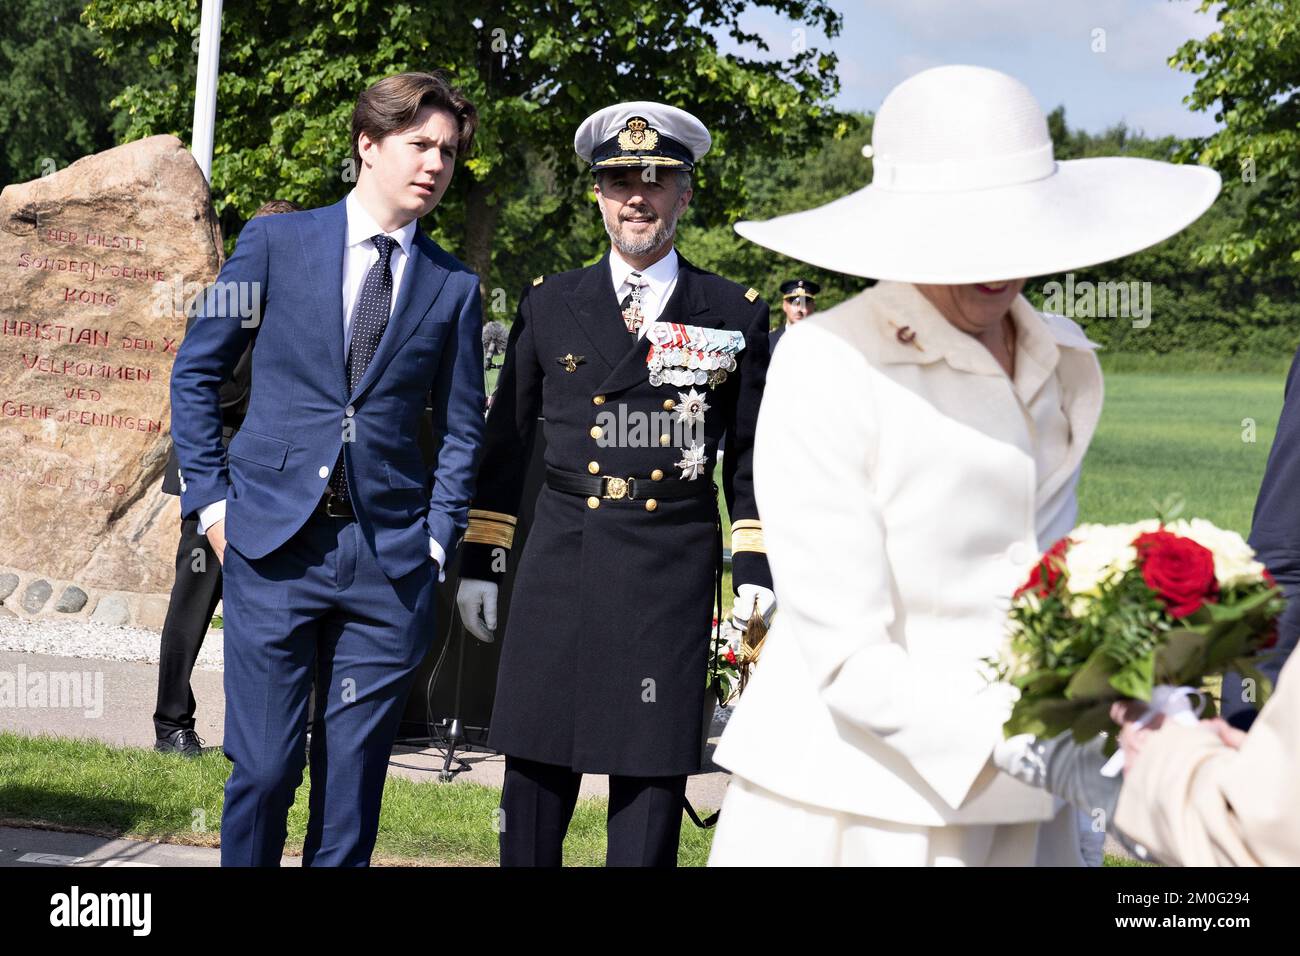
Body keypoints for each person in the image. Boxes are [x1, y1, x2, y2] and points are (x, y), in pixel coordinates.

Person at [706, 64, 1220, 866]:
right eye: (968, 226)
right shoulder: (826, 362)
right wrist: (1039, 746)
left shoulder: (1062, 357)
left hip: (1031, 806)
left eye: (1018, 223)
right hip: (856, 807)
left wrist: (1146, 715)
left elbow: (1046, 585)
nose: (998, 259)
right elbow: (846, 651)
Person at [170, 71, 486, 866]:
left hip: (388, 565)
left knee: (351, 790)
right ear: (367, 144)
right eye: (419, 145)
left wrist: (438, 543)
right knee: (267, 768)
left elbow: (461, 428)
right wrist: (211, 507)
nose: (435, 165)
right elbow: (197, 371)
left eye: (447, 152)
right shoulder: (273, 245)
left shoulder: (454, 286)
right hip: (271, 549)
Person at [454, 102, 776, 867]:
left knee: (649, 793)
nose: (638, 194)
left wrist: (755, 567)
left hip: (668, 573)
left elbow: (753, 456)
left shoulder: (733, 311)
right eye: (619, 178)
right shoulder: (551, 301)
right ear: (597, 194)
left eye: (657, 178)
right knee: (533, 779)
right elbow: (505, 444)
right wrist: (483, 555)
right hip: (562, 561)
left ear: (686, 192)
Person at [154, 199, 299, 758]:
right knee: (194, 599)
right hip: (217, 466)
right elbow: (214, 395)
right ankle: (171, 725)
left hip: (274, 473)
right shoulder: (221, 305)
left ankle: (270, 730)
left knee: (276, 608)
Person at [769, 278, 819, 354]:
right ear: (784, 305)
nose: (799, 309)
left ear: (813, 306)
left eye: (804, 303)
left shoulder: (822, 340)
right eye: (794, 302)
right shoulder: (768, 341)